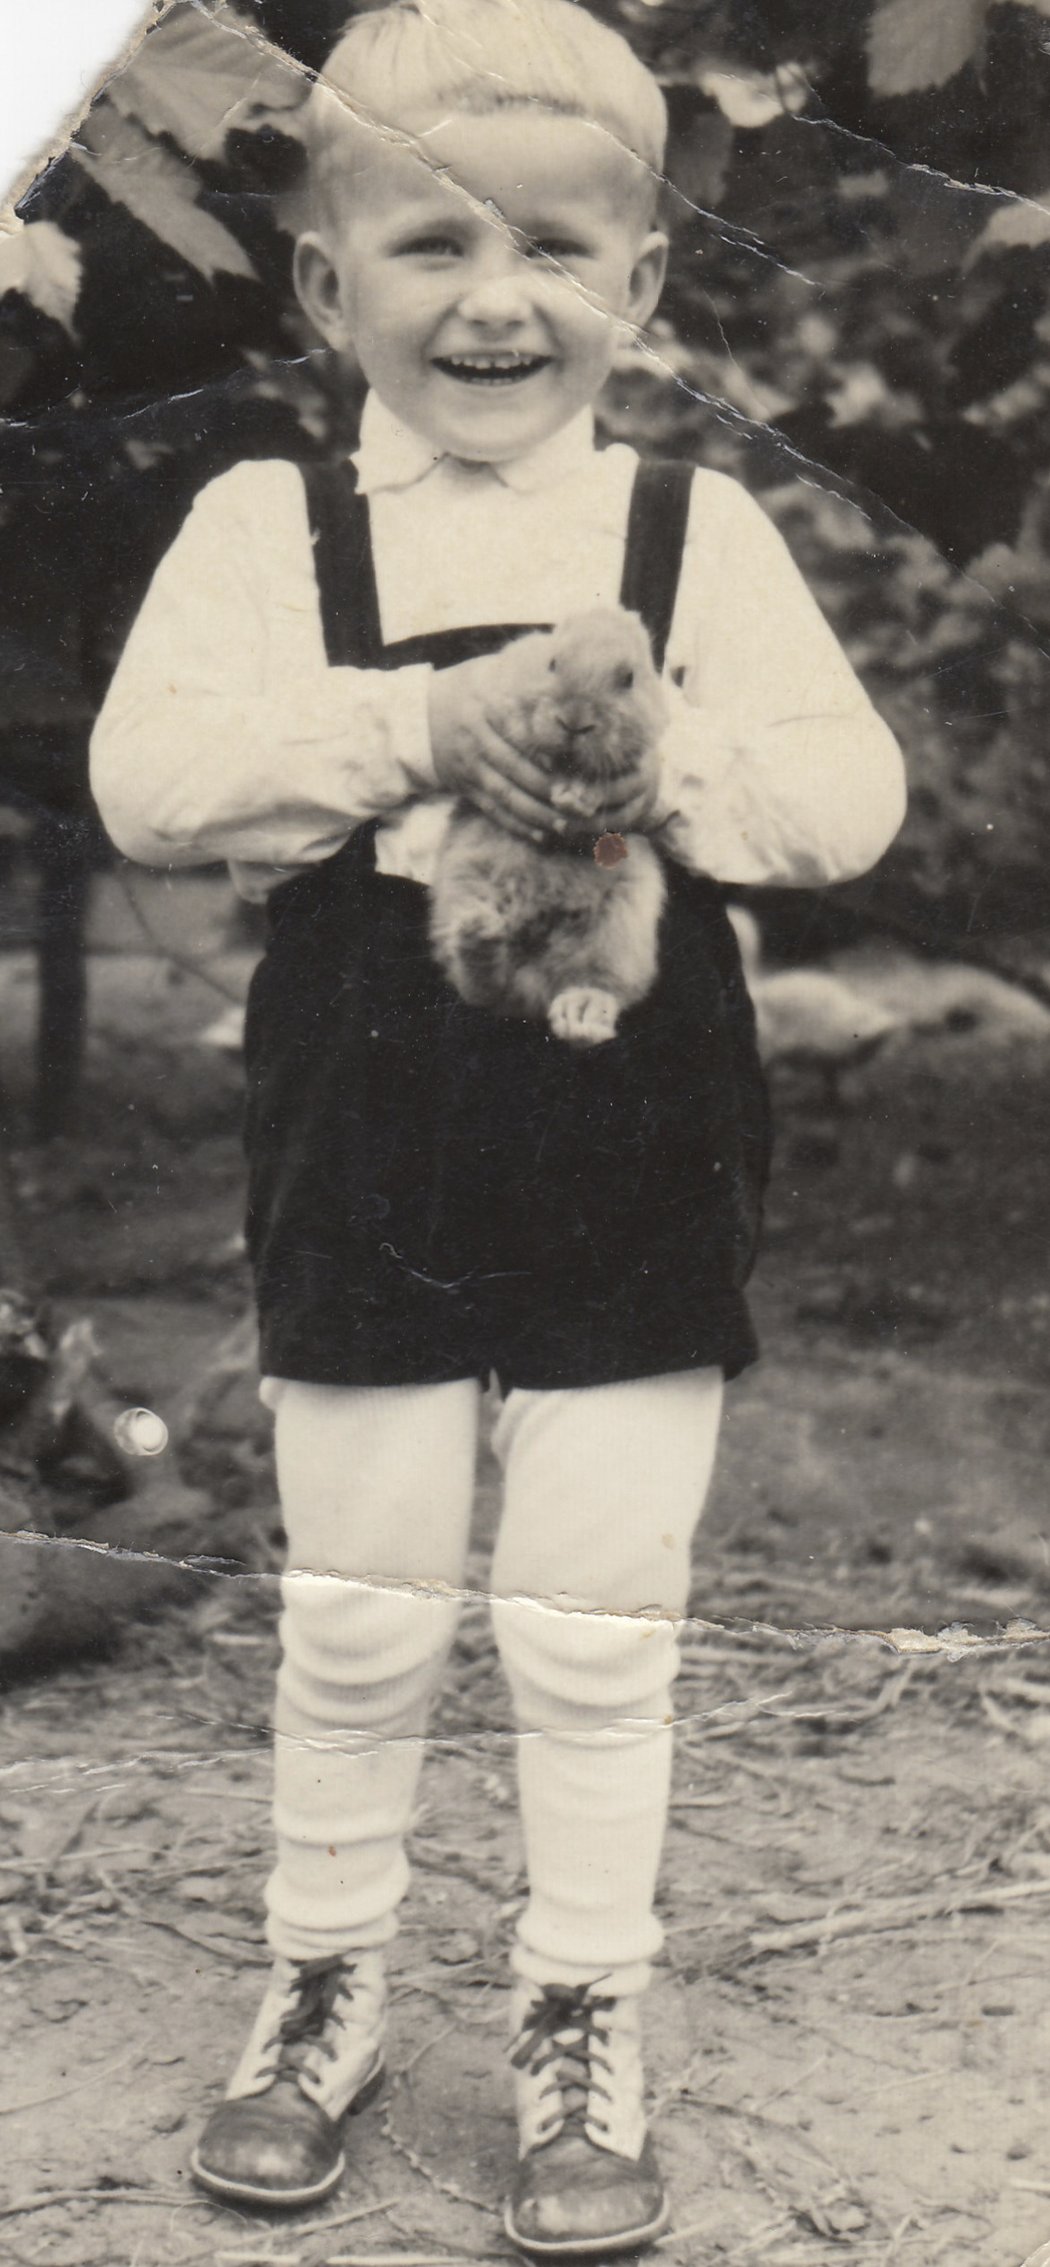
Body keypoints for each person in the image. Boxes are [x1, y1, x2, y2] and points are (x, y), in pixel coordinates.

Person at [90, 1, 907, 2253]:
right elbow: (156, 780)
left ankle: (578, 2011)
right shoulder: (275, 524)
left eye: (558, 246)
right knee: (360, 1604)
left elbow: (844, 800)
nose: (494, 296)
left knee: (591, 1610)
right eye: (428, 242)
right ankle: (324, 1980)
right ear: (323, 286)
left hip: (633, 1104)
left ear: (640, 289)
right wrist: (424, 721)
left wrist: (661, 773)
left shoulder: (694, 526)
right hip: (369, 1107)